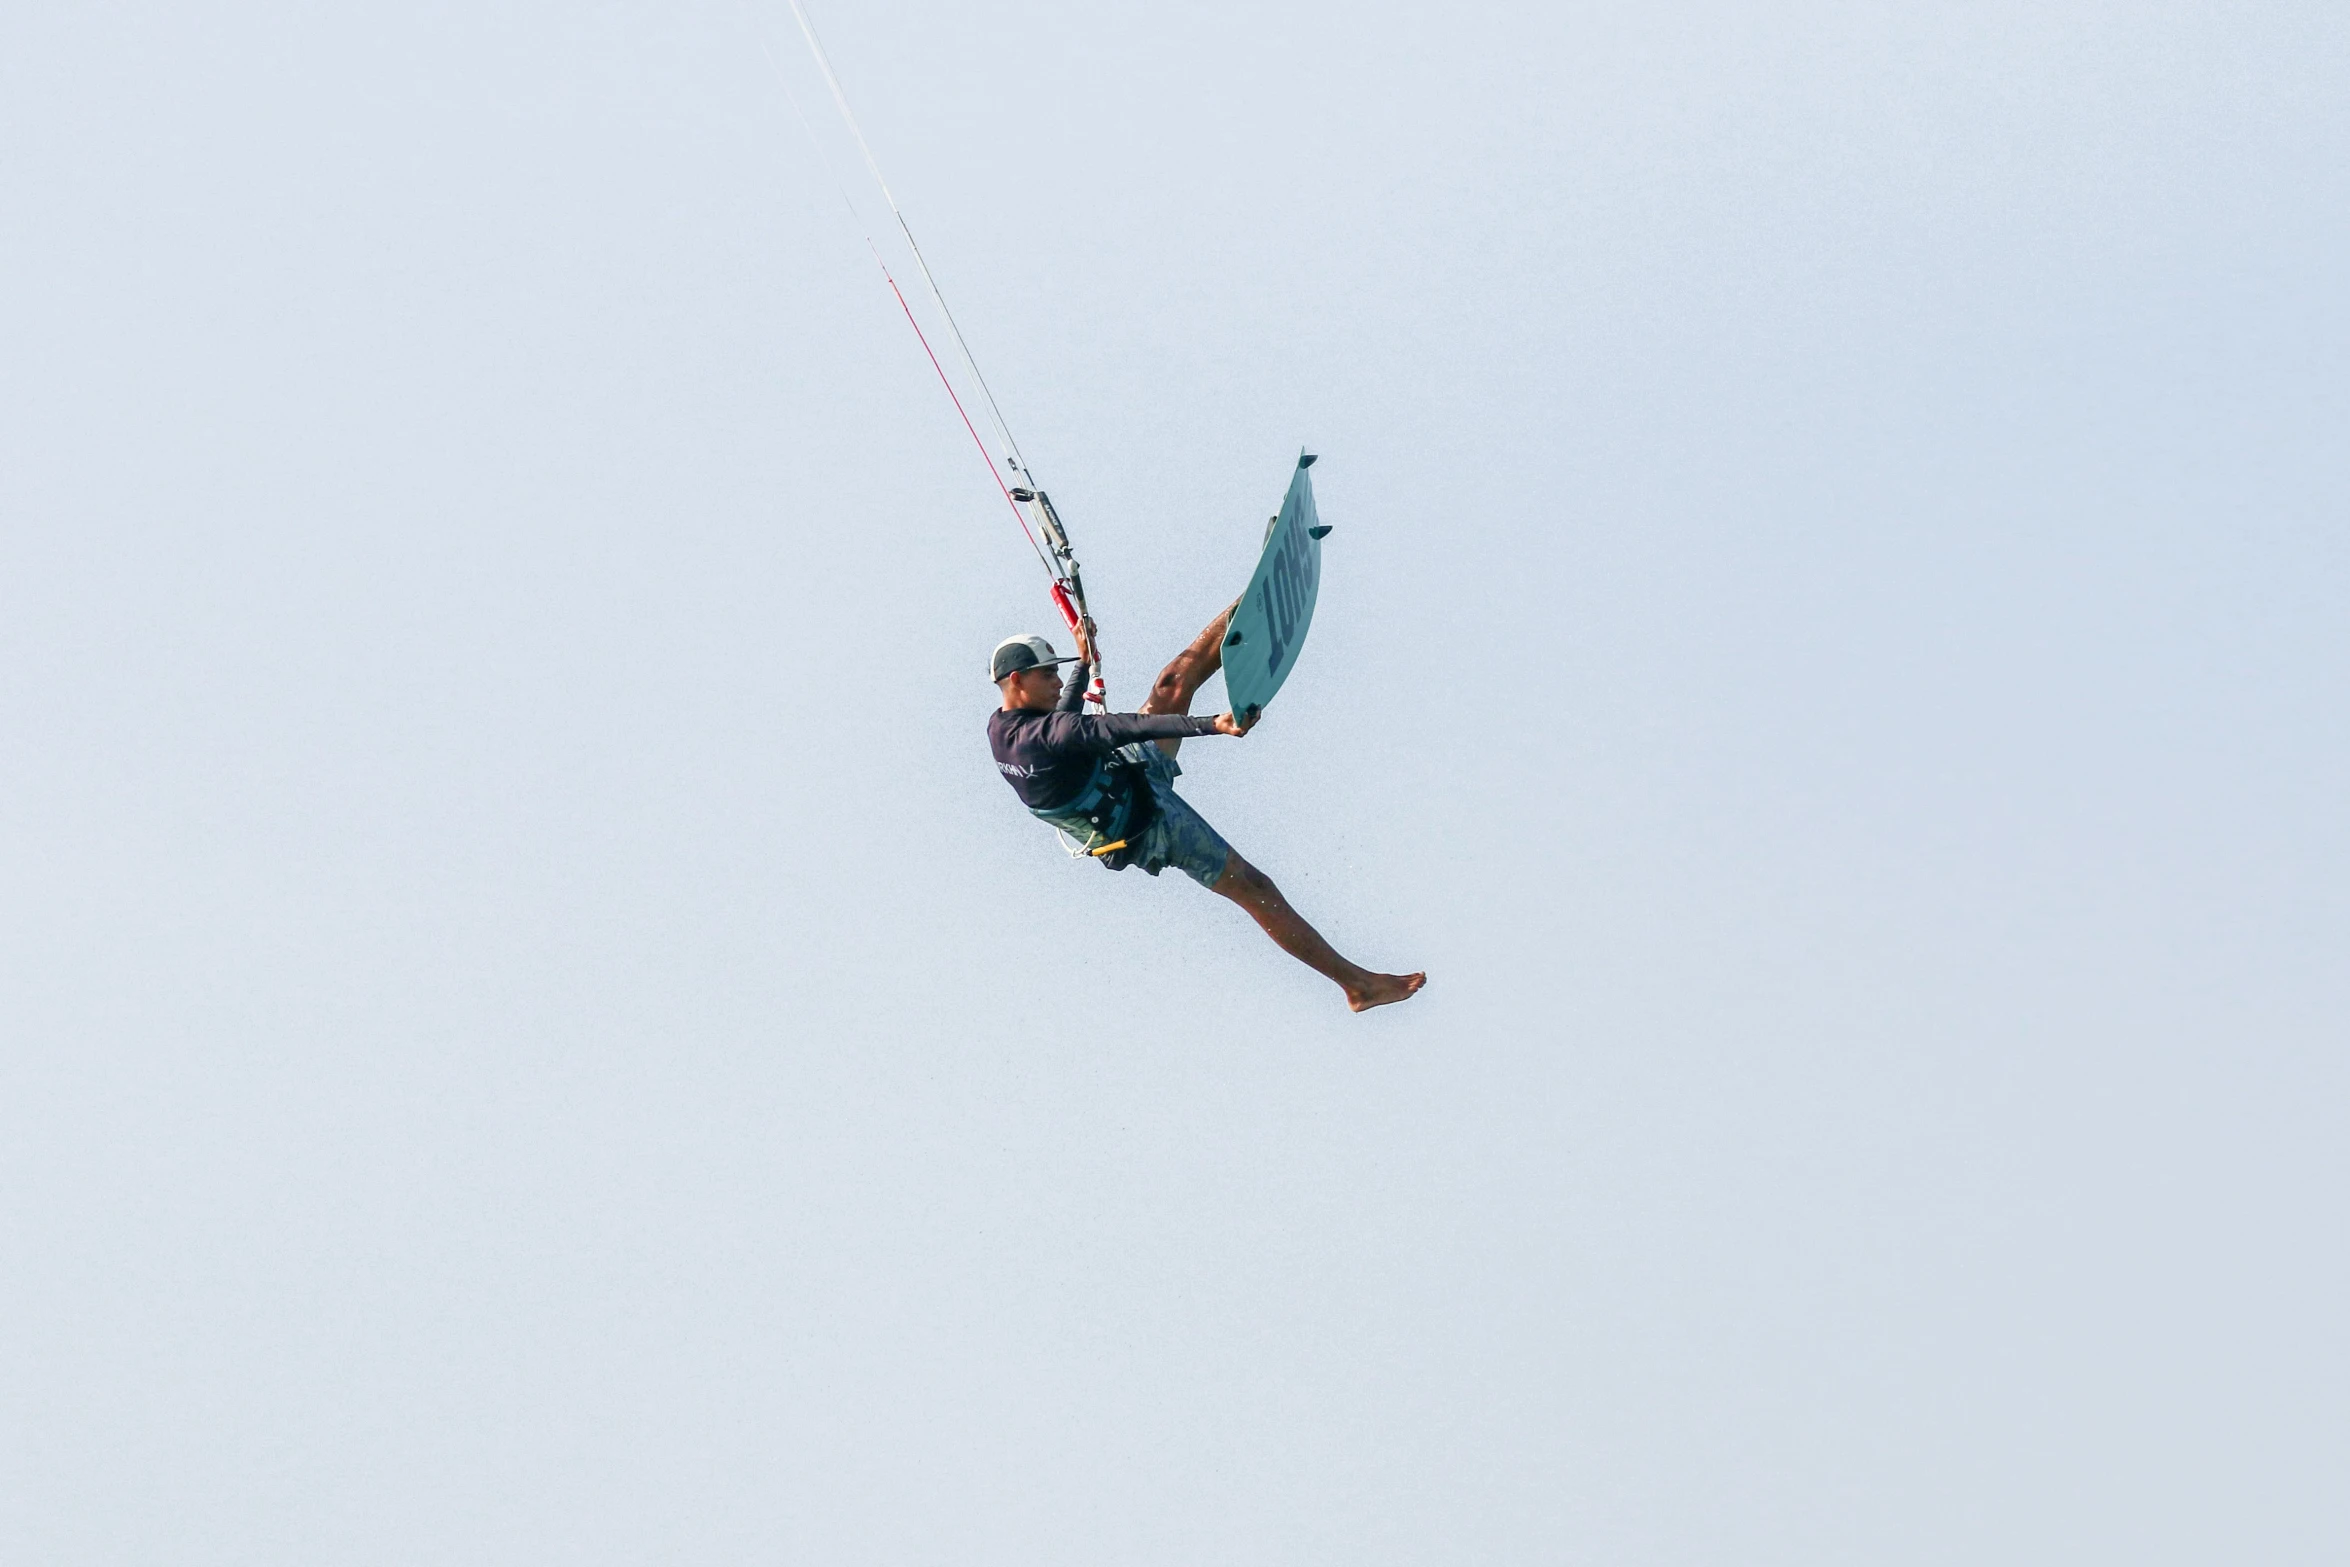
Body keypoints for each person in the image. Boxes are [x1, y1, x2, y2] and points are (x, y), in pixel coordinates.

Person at [987, 602, 1425, 1012]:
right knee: (1256, 888)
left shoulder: (1003, 726)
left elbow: (1060, 722)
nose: (1058, 682)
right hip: (1146, 824)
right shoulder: (1046, 737)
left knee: (1174, 680)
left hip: (1125, 776)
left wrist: (1083, 664)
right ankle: (1358, 986)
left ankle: (1251, 600)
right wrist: (1214, 725)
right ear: (1018, 680)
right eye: (1049, 674)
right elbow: (1123, 727)